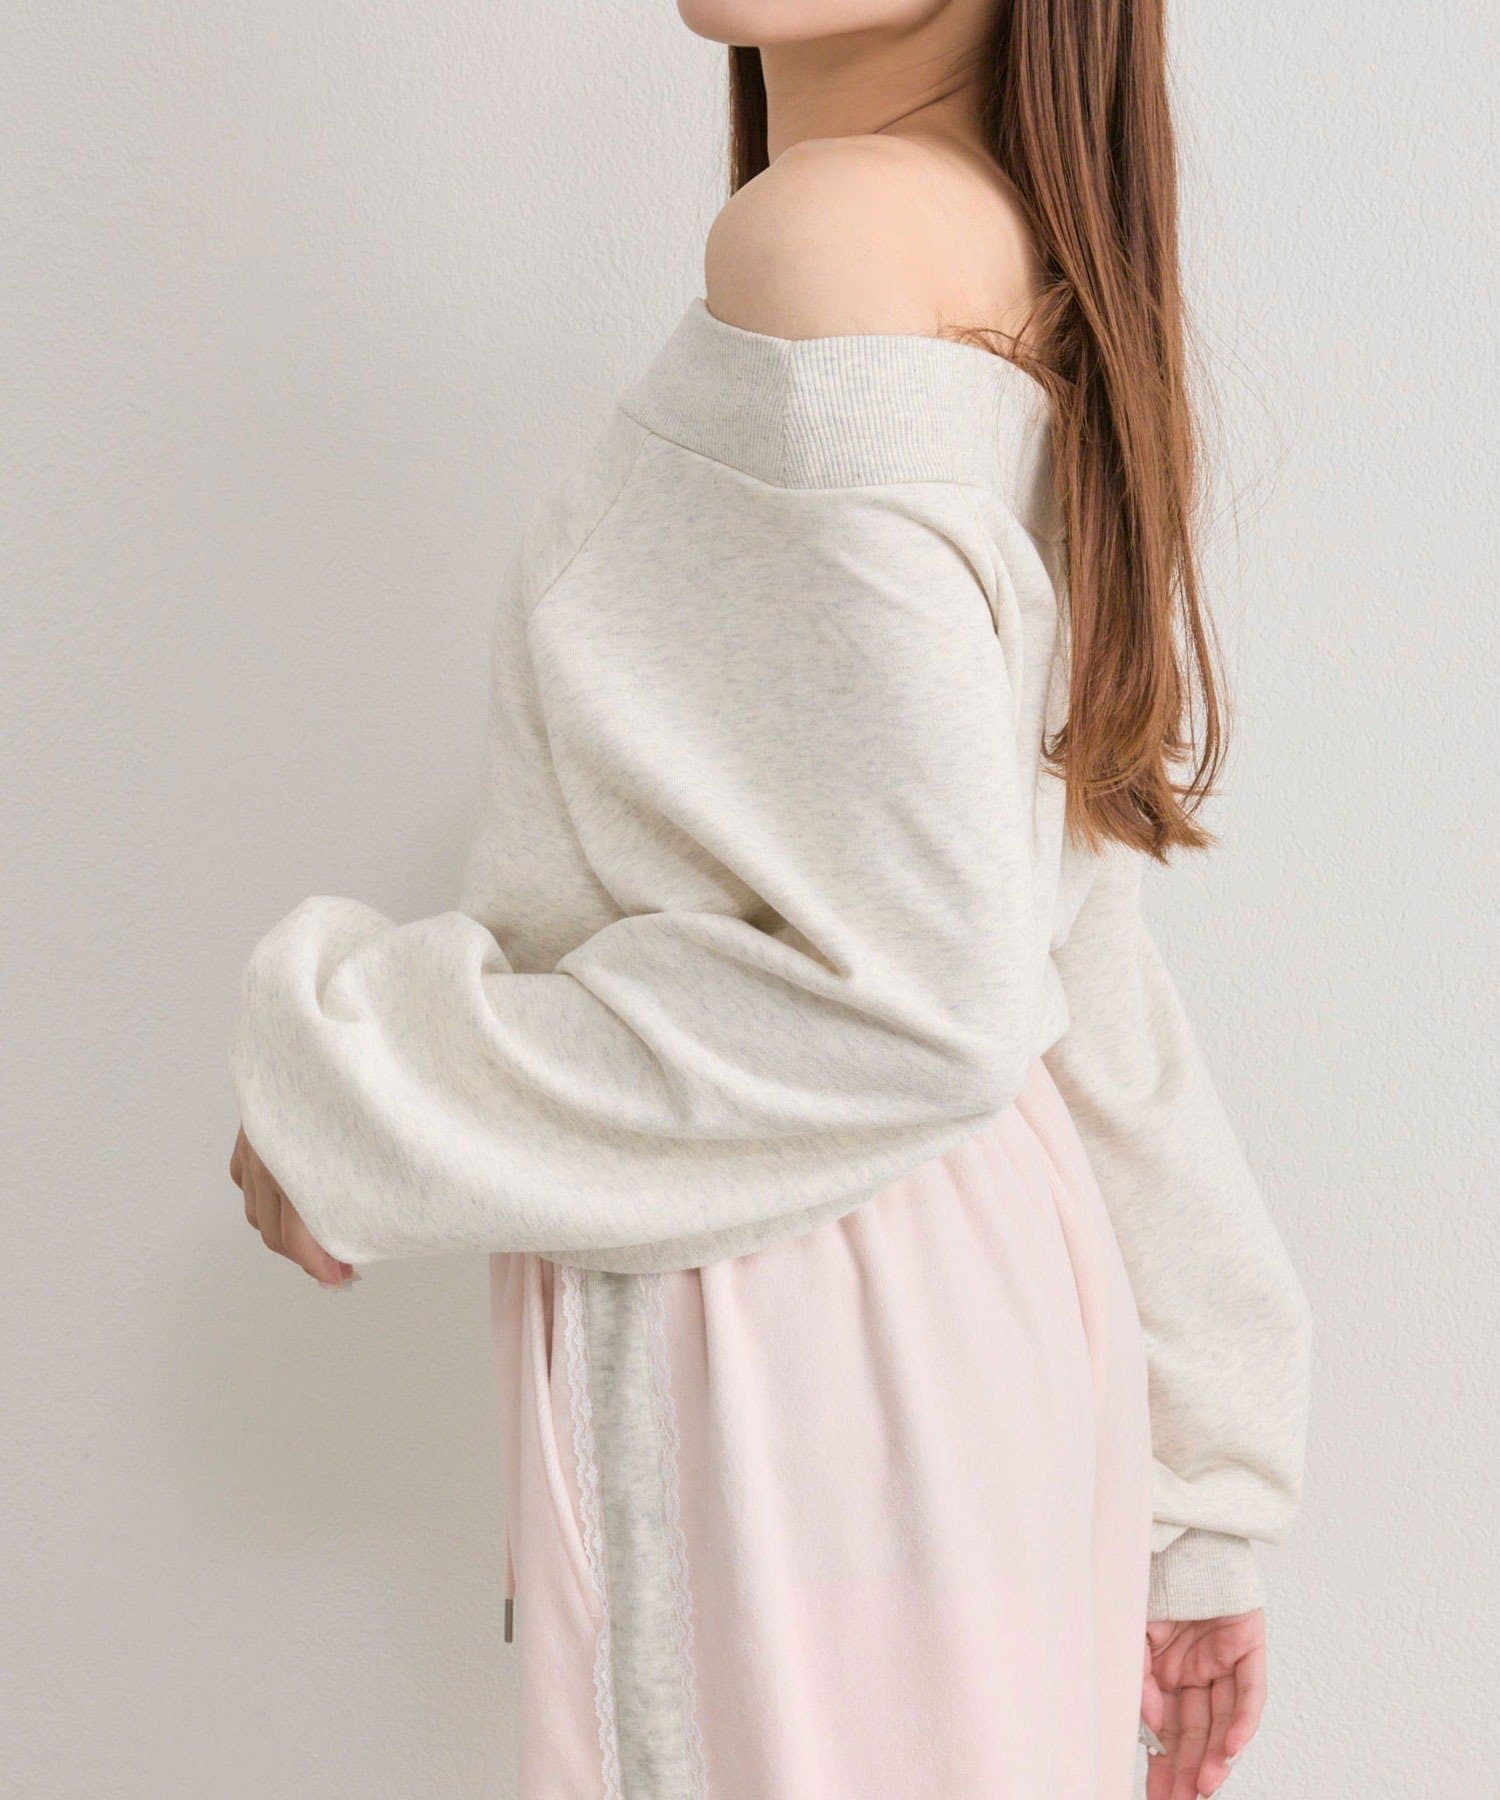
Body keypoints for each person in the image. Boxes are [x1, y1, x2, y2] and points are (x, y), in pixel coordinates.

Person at [227, 3, 1311, 1794]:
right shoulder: (1006, 237)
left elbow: (924, 1007)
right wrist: (1205, 1489)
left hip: (801, 1326)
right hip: (951, 1320)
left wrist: (367, 1090)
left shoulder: (828, 240)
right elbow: (1067, 951)